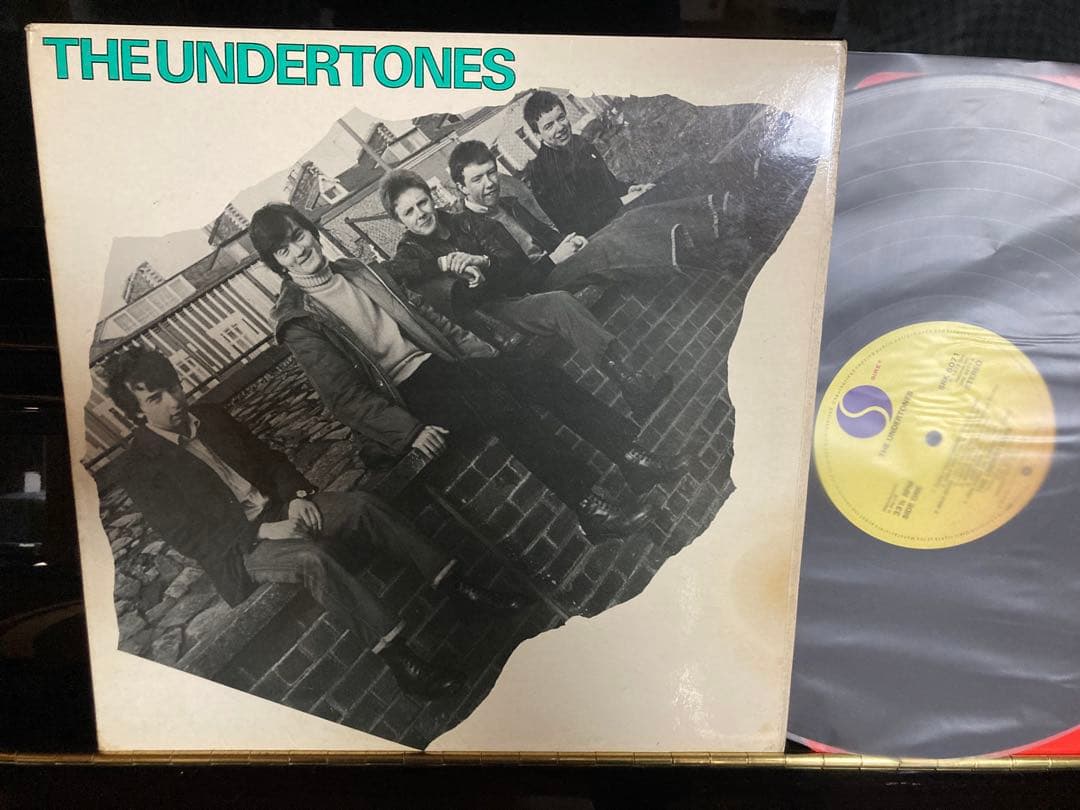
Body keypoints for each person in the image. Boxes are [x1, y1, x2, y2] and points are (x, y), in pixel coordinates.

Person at [251, 203, 690, 548]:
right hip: (406, 395)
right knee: (498, 406)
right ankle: (588, 506)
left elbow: (422, 314)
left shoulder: (357, 270)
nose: (299, 250)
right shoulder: (299, 320)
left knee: (535, 371)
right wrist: (408, 432)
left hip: (439, 365)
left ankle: (629, 457)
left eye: (298, 235)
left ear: (311, 231)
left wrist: (479, 352)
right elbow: (344, 398)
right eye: (284, 250)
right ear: (278, 264)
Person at [103, 346, 526, 700]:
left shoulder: (211, 416)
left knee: (361, 505)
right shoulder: (141, 469)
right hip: (243, 549)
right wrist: (260, 531)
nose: (174, 402)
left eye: (173, 387)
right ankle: (402, 661)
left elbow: (271, 460)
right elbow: (188, 536)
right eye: (155, 398)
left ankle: (456, 589)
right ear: (137, 414)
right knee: (312, 559)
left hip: (280, 510)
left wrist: (296, 498)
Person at [382, 169, 672, 418]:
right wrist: (442, 263)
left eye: (422, 202)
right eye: (409, 211)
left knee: (562, 298)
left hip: (509, 294)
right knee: (558, 304)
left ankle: (632, 384)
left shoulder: (465, 222)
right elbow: (392, 271)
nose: (420, 214)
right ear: (398, 221)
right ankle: (633, 385)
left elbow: (513, 265)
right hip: (485, 316)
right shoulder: (409, 251)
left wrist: (483, 262)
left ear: (431, 198)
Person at [522, 90, 654, 237]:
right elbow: (579, 223)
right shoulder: (542, 173)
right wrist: (623, 201)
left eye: (561, 118)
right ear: (537, 135)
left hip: (621, 216)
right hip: (598, 237)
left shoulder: (579, 142)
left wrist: (629, 189)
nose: (560, 127)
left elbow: (609, 185)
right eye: (549, 126)